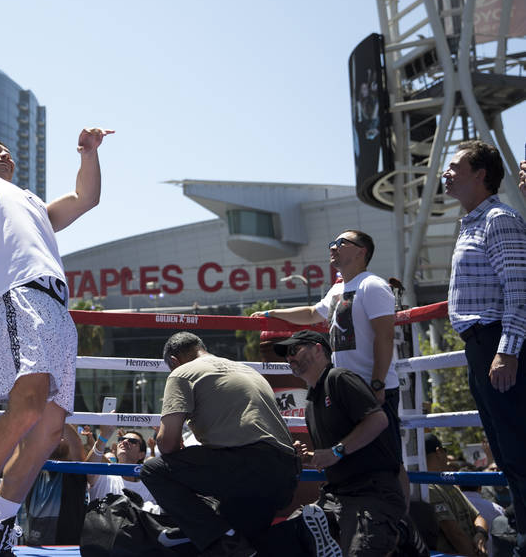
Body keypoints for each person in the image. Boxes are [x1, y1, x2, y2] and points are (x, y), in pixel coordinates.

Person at [0, 110, 110, 557]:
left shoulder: (32, 202)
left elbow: (86, 197)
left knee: (50, 429)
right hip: (19, 292)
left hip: (56, 306)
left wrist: (88, 153)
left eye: (7, 150)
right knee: (28, 405)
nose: (4, 153)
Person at [253, 229, 408, 499]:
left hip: (373, 386)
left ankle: (400, 517)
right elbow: (313, 313)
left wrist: (377, 383)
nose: (333, 247)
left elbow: (384, 337)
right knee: (353, 452)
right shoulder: (338, 288)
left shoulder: (372, 285)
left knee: (389, 458)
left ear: (361, 251)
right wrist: (271, 312)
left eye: (341, 243)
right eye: (332, 243)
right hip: (346, 388)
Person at [139, 332, 300, 556]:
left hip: (246, 466)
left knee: (153, 470)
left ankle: (224, 537)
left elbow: (167, 444)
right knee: (249, 544)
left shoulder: (182, 373)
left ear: (174, 361)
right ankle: (304, 534)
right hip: (285, 476)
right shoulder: (247, 370)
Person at [447, 140, 526, 556]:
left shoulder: (499, 220)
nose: (447, 173)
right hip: (480, 346)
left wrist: (507, 350)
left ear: (481, 174)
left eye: (456, 166)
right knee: (507, 450)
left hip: (498, 342)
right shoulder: (472, 223)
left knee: (518, 448)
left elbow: (519, 289)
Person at [274, 329, 404, 556]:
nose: (289, 357)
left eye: (294, 349)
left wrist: (336, 451)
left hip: (371, 492)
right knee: (280, 542)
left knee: (360, 550)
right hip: (335, 496)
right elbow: (333, 455)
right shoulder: (311, 402)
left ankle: (400, 533)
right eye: (286, 354)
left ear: (318, 349)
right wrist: (309, 458)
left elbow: (378, 420)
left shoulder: (339, 378)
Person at [424, 434, 488, 557]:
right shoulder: (430, 488)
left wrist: (480, 534)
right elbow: (454, 534)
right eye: (445, 450)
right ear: (439, 452)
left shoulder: (448, 484)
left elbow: (478, 516)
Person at [85, 426, 156, 507]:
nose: (124, 441)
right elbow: (88, 470)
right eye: (121, 439)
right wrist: (103, 436)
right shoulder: (103, 475)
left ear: (141, 455)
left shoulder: (149, 487)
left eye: (132, 441)